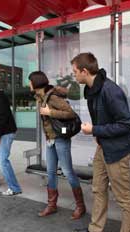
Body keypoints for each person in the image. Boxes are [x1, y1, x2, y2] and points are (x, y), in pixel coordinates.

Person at [70, 53, 130, 232]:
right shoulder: (92, 90)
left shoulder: (110, 90)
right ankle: (95, 231)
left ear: (84, 71)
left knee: (124, 199)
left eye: (75, 72)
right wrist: (97, 134)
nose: (74, 75)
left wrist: (95, 130)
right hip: (103, 148)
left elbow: (125, 124)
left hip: (117, 151)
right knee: (98, 189)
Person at [28, 71, 86, 220]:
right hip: (50, 140)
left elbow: (71, 113)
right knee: (51, 172)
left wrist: (50, 112)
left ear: (36, 82)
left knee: (67, 171)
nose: (29, 84)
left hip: (60, 138)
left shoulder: (52, 97)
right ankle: (51, 205)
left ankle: (80, 206)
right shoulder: (40, 97)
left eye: (30, 81)